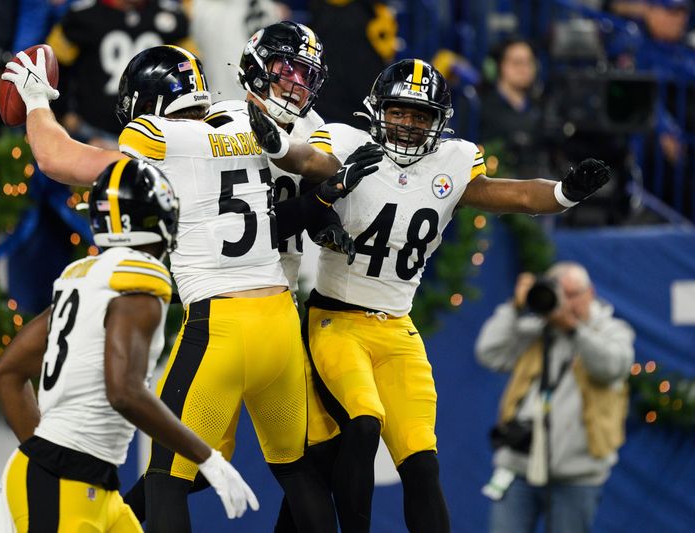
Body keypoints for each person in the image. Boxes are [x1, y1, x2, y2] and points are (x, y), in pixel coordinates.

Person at [1, 44, 378, 532]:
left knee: (165, 477)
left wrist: (35, 102)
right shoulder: (246, 120)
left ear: (150, 105)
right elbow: (313, 166)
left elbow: (58, 159)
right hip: (280, 318)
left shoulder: (156, 138)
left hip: (220, 323)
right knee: (299, 472)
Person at [249, 58, 612, 532]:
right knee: (361, 424)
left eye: (420, 115)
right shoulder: (351, 144)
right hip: (336, 320)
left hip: (398, 328)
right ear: (379, 109)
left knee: (422, 465)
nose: (407, 123)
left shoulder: (452, 163)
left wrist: (564, 192)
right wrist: (276, 141)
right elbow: (310, 162)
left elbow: (519, 196)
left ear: (438, 122)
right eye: (399, 111)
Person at [0, 159, 258, 532]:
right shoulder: (138, 285)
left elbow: (7, 373)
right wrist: (206, 456)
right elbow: (124, 392)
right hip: (63, 484)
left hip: (89, 484)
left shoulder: (84, 277)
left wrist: (46, 456)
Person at [476, 262, 635, 533]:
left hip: (577, 476)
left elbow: (611, 367)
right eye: (561, 294)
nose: (567, 303)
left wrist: (573, 329)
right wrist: (515, 308)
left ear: (591, 292)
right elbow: (489, 352)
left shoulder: (612, 330)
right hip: (517, 468)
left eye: (574, 294)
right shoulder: (536, 330)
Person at [46, 0, 191, 146]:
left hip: (154, 133)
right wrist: (63, 113)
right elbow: (55, 65)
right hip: (93, 131)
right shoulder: (82, 14)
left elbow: (188, 68)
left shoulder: (173, 14)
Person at [479, 36, 549, 179]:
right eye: (517, 63)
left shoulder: (542, 107)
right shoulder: (481, 106)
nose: (524, 69)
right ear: (499, 66)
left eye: (529, 62)